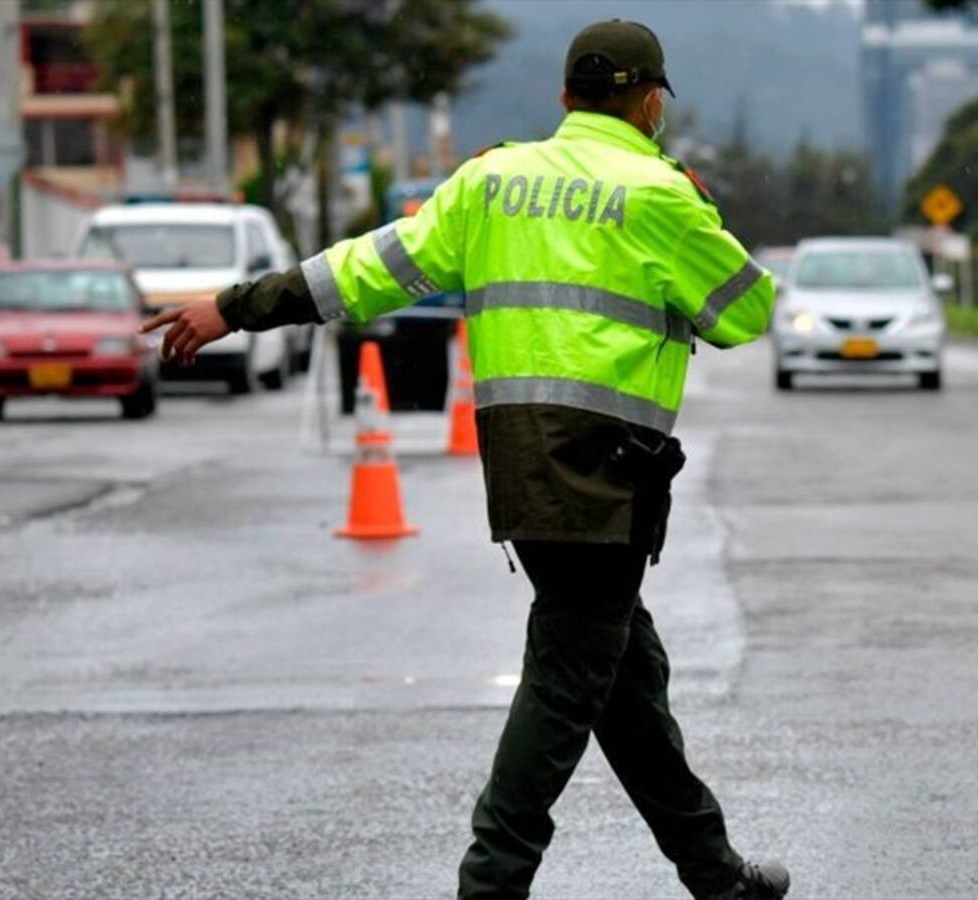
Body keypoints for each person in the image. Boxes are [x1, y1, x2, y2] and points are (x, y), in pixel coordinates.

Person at [141, 19, 788, 900]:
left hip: (522, 471)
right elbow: (747, 312)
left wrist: (235, 305)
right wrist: (695, 216)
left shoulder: (490, 182)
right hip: (609, 475)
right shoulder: (660, 195)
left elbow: (364, 270)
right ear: (649, 104)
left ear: (565, 98)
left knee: (624, 682)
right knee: (564, 689)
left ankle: (717, 876)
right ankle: (491, 886)